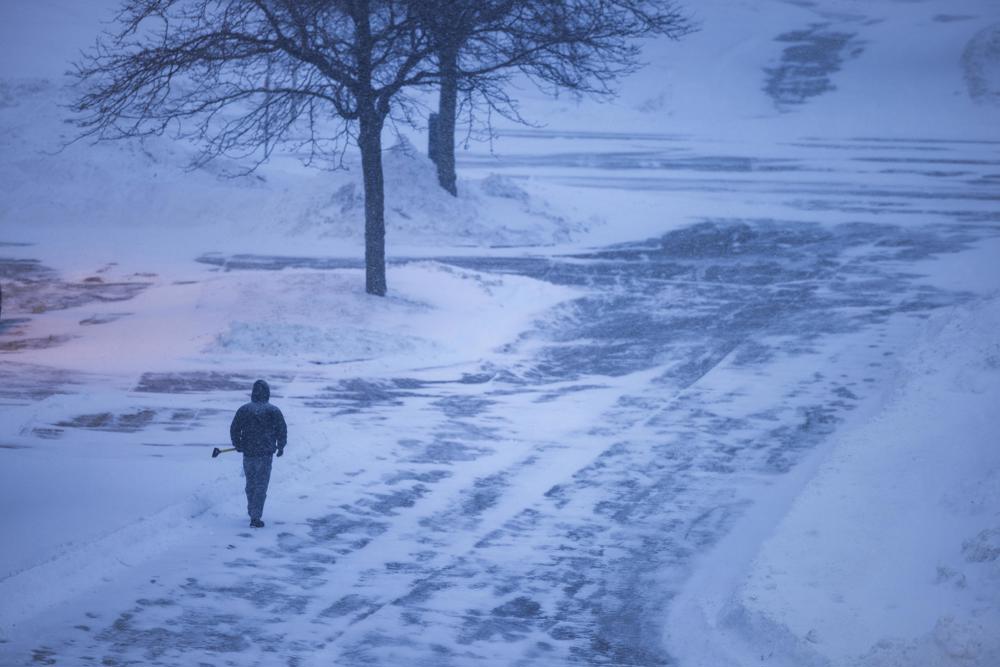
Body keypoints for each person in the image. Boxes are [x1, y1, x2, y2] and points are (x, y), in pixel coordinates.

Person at [230, 379, 287, 528]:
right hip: (265, 454)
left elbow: (234, 429)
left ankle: (252, 511)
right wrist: (281, 447)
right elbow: (282, 430)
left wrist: (237, 444)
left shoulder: (244, 410)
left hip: (248, 454)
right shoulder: (273, 411)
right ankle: (255, 516)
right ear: (267, 393)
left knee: (251, 484)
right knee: (261, 485)